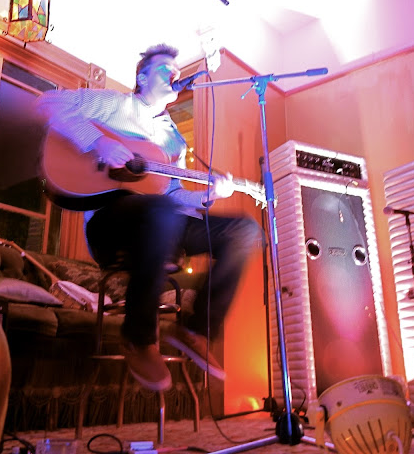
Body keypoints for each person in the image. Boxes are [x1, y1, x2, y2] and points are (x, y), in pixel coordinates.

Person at [35, 44, 261, 391]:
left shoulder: (174, 141)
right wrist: (98, 143)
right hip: (110, 224)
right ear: (142, 77)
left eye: (177, 70)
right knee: (161, 211)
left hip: (159, 220)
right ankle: (140, 338)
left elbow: (171, 194)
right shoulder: (115, 105)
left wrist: (209, 195)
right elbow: (49, 103)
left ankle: (197, 330)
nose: (175, 74)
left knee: (244, 230)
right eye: (165, 68)